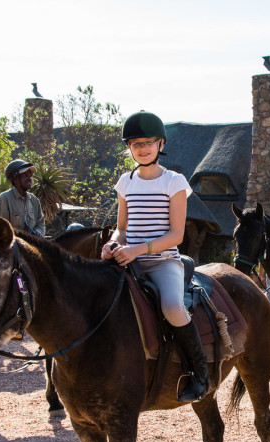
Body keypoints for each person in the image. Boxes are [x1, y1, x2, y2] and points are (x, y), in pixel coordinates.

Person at [101, 110, 207, 402]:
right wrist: (112, 243)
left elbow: (176, 236)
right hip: (127, 260)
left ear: (160, 144)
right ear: (129, 148)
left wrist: (137, 249)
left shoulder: (174, 182)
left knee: (173, 307)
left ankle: (199, 373)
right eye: (136, 144)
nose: (143, 148)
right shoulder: (125, 182)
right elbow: (121, 228)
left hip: (163, 262)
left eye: (148, 142)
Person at [0, 159, 46, 237]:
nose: (30, 179)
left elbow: (40, 224)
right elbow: (1, 231)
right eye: (25, 175)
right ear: (15, 179)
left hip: (32, 245)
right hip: (13, 247)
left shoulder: (34, 200)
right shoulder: (4, 199)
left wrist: (38, 233)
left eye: (30, 176)